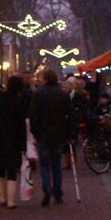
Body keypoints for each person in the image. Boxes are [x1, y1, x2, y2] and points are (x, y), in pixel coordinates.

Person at [29, 68, 73, 207]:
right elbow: (70, 116)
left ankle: (47, 187)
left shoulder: (38, 94)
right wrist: (70, 134)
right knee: (56, 164)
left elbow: (33, 116)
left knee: (44, 164)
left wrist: (34, 132)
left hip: (43, 134)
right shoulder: (63, 95)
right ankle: (58, 193)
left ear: (45, 79)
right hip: (58, 133)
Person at [0, 75, 28, 209]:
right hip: (14, 139)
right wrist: (23, 145)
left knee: (0, 168)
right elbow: (21, 124)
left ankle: (2, 197)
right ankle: (11, 201)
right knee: (12, 169)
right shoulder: (19, 101)